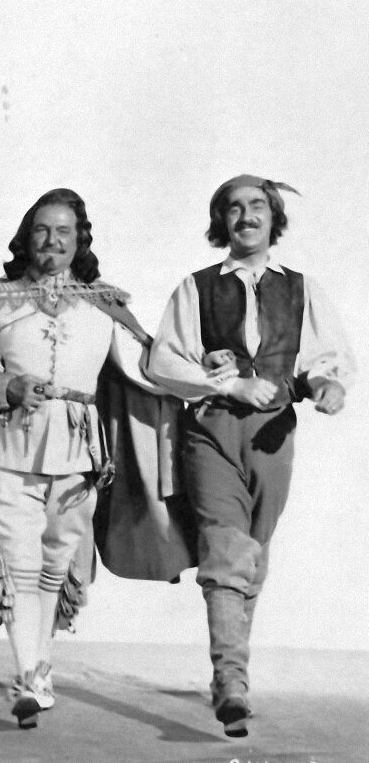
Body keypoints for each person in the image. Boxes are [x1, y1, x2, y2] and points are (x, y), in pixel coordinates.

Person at [0, 187, 165, 728]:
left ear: (79, 239)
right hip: (8, 445)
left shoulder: (103, 302)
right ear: (26, 237)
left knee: (56, 561)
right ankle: (26, 677)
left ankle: (39, 668)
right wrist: (6, 386)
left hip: (79, 451)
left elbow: (149, 365)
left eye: (64, 231)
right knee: (18, 559)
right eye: (42, 230)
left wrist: (210, 368)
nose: (52, 241)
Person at [146, 176, 354, 737]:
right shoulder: (196, 287)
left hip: (273, 435)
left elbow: (324, 359)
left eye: (256, 206)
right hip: (211, 429)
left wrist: (328, 386)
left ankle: (230, 677)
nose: (246, 217)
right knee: (223, 548)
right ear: (222, 222)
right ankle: (232, 681)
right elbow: (165, 360)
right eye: (233, 208)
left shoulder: (302, 288)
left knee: (253, 552)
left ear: (273, 216)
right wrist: (230, 384)